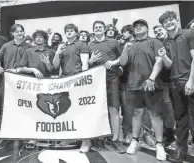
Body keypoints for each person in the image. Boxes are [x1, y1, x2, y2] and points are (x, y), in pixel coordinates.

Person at [119, 19, 167, 161]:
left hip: (152, 84)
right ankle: (135, 140)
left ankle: (159, 144)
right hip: (134, 85)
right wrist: (124, 49)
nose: (138, 27)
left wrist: (151, 78)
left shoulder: (155, 42)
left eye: (141, 26)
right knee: (136, 114)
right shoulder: (130, 44)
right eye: (136, 26)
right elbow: (122, 62)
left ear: (147, 28)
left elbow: (159, 61)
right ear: (133, 31)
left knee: (155, 115)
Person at [159, 11, 194, 162]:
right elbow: (169, 66)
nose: (168, 23)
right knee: (180, 119)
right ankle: (181, 152)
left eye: (170, 20)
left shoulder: (190, 34)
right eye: (165, 22)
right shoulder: (165, 41)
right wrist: (163, 56)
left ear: (176, 20)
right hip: (175, 85)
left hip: (193, 82)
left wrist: (192, 81)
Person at [0, 24, 32, 148]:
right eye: (17, 31)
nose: (20, 33)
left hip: (23, 82)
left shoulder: (29, 47)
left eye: (22, 31)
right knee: (5, 107)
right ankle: (4, 135)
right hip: (7, 81)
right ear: (12, 33)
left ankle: (24, 134)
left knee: (24, 107)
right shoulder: (6, 46)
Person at [88, 20, 125, 154]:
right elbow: (87, 64)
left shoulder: (113, 42)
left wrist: (114, 62)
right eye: (95, 27)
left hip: (112, 79)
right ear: (93, 30)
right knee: (98, 111)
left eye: (100, 27)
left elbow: (123, 58)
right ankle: (100, 139)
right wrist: (91, 61)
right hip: (96, 81)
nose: (98, 29)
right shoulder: (90, 45)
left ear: (104, 29)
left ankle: (116, 140)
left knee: (114, 110)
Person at [53, 23, 91, 153]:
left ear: (76, 32)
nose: (69, 32)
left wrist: (83, 79)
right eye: (67, 31)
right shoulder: (62, 46)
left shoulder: (81, 44)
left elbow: (85, 63)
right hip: (65, 81)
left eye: (71, 31)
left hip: (78, 80)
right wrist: (57, 53)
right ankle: (70, 137)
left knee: (82, 111)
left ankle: (86, 141)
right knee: (68, 111)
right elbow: (55, 66)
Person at [153, 24, 176, 147]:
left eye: (159, 30)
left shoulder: (170, 43)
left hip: (171, 80)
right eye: (156, 31)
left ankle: (171, 133)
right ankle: (168, 132)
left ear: (165, 30)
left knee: (169, 109)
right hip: (159, 82)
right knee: (162, 109)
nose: (158, 32)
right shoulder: (156, 44)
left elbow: (171, 64)